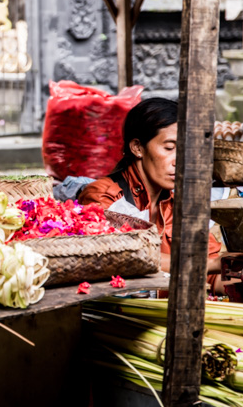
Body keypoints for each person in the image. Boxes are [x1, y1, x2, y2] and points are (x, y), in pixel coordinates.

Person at [78, 98, 222, 275]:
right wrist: (210, 264)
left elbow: (212, 272)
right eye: (169, 148)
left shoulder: (178, 207)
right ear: (137, 148)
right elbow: (121, 256)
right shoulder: (102, 196)